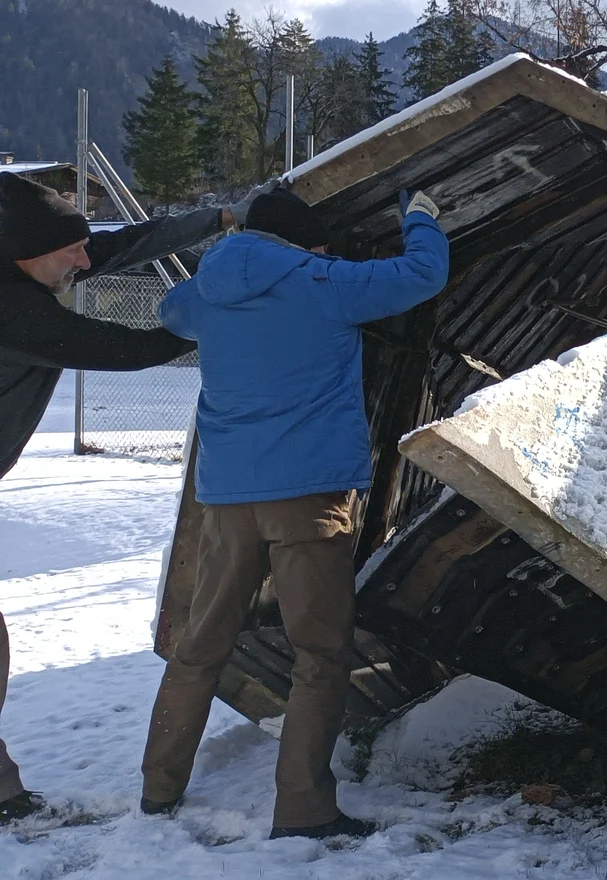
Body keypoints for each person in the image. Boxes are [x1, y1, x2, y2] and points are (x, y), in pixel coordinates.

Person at [141, 187, 450, 838]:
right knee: (321, 653)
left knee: (199, 648)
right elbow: (423, 273)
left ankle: (158, 790)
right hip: (308, 495)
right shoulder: (323, 282)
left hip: (226, 498)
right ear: (306, 244)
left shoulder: (206, 290)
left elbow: (170, 311)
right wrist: (421, 218)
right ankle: (304, 808)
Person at [0, 171, 243, 823]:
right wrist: (221, 315)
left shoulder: (32, 264)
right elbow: (129, 350)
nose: (85, 260)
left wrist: (216, 219)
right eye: (72, 250)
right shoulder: (14, 308)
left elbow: (120, 246)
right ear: (26, 251)